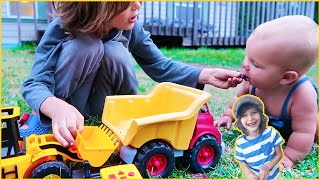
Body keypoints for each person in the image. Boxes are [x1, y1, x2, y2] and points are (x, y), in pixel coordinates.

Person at [21, 2, 244, 148]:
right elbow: (34, 83)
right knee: (87, 46)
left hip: (109, 109)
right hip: (67, 112)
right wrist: (54, 106)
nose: (137, 5)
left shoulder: (130, 27)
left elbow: (159, 64)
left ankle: (128, 122)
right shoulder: (62, 28)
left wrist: (205, 74)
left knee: (114, 51)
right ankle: (49, 121)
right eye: (126, 3)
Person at [215, 15, 318, 169]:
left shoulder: (302, 94)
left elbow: (303, 133)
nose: (245, 65)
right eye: (247, 56)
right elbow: (238, 98)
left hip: (296, 128)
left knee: (314, 127)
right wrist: (228, 115)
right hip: (268, 127)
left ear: (286, 77)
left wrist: (289, 156)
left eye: (255, 63)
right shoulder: (251, 81)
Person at [233, 95, 284, 180]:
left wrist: (267, 166)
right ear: (239, 121)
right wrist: (249, 173)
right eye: (244, 115)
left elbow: (279, 154)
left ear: (261, 114)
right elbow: (242, 161)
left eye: (254, 113)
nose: (250, 118)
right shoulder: (240, 143)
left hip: (274, 176)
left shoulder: (271, 133)